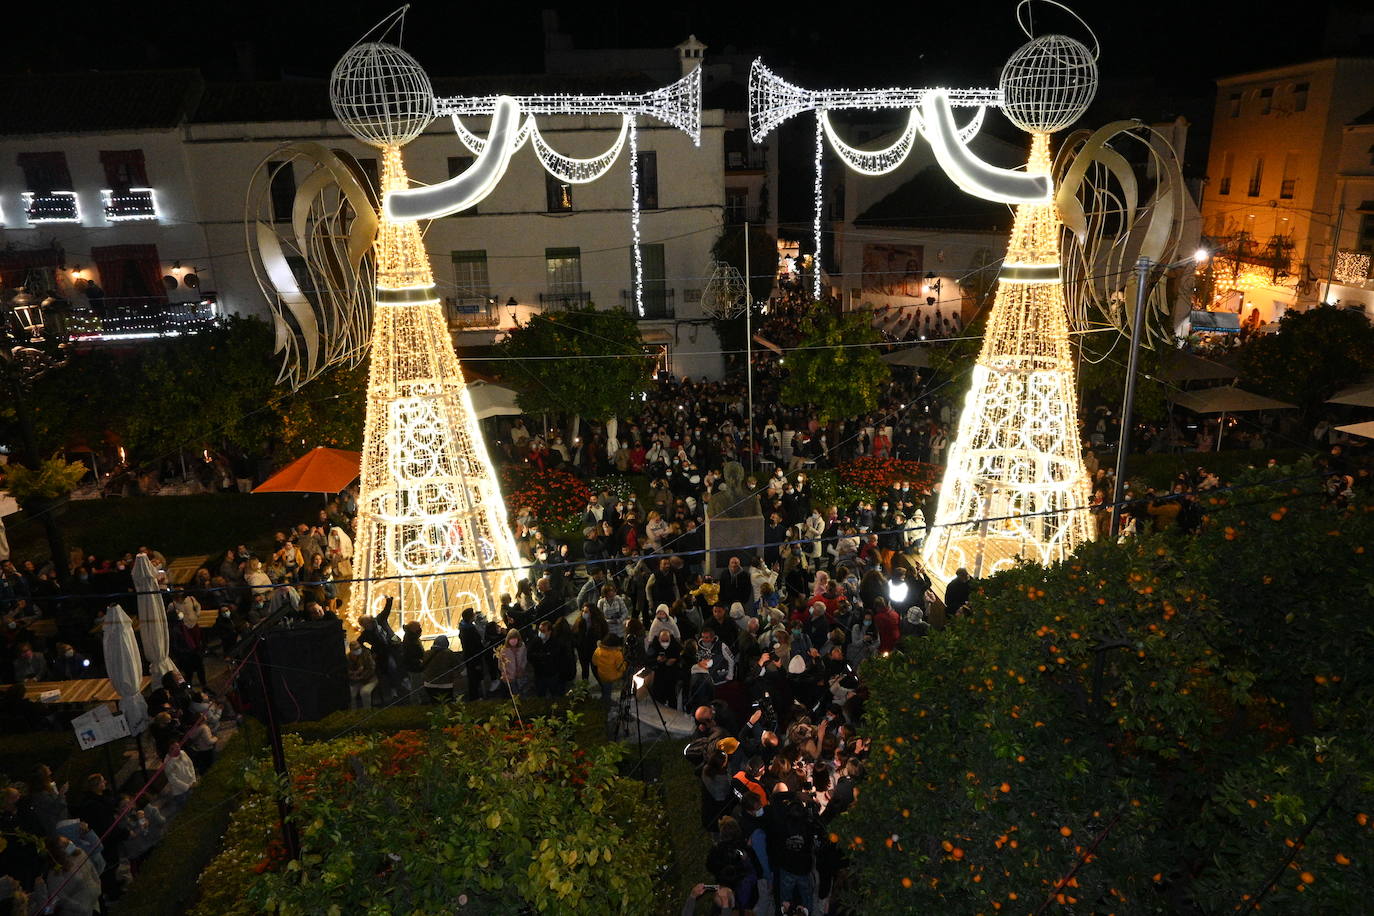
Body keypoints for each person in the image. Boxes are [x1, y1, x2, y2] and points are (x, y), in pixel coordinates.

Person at [421, 635, 458, 703]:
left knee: (434, 703)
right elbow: (457, 666)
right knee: (447, 704)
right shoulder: (448, 653)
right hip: (445, 684)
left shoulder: (427, 653)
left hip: (429, 684)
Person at [592, 633, 627, 704]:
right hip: (611, 676)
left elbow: (594, 662)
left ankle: (604, 697)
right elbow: (621, 668)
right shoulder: (617, 654)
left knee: (605, 687)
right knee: (608, 689)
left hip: (601, 674)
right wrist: (625, 664)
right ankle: (607, 702)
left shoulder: (598, 650)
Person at [498, 629, 529, 696]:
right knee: (513, 695)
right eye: (511, 638)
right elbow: (500, 665)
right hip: (509, 677)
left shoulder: (522, 647)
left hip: (520, 675)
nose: (513, 640)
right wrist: (505, 675)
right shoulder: (504, 650)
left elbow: (524, 659)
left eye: (515, 638)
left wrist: (522, 669)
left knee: (522, 693)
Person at [346, 640, 377, 709]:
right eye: (355, 649)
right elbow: (347, 670)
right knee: (351, 694)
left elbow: (372, 668)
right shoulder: (348, 657)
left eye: (358, 647)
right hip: (355, 681)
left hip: (369, 679)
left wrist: (362, 675)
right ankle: (353, 712)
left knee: (364, 692)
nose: (358, 650)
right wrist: (352, 674)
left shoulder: (366, 653)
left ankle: (367, 711)